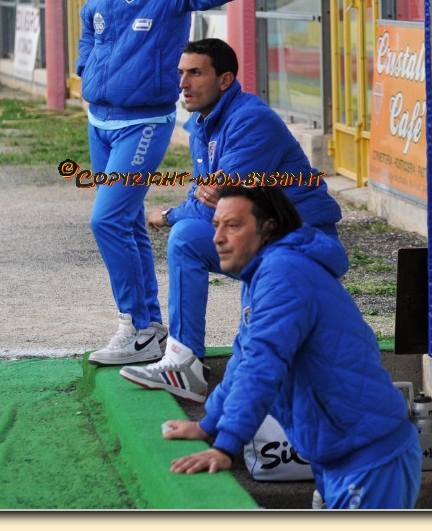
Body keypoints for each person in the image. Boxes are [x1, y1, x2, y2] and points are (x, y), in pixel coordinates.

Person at [161, 186, 422, 510]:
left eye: (233, 225)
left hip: (370, 460)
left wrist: (226, 446)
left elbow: (262, 366)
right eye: (216, 225)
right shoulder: (261, 274)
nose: (217, 238)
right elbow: (243, 361)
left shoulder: (284, 272)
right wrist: (207, 425)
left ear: (268, 227)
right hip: (341, 457)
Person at [120, 38, 343, 400]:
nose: (183, 83)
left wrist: (168, 214)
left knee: (259, 370)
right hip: (259, 239)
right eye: (181, 73)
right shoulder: (203, 124)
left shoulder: (251, 120)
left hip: (301, 244)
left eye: (195, 73)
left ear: (225, 80)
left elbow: (222, 206)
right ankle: (183, 361)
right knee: (187, 239)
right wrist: (205, 201)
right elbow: (207, 199)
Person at [76, 0, 244, 366]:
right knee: (127, 220)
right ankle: (146, 329)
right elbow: (90, 26)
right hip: (100, 118)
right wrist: (86, 66)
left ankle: (136, 324)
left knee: (106, 219)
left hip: (142, 120)